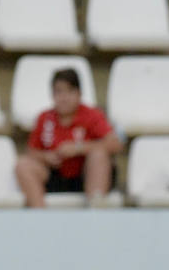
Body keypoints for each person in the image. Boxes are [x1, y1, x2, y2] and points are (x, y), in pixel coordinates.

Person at [15, 68, 121, 208]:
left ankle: (96, 212)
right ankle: (40, 217)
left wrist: (78, 148)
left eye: (69, 91)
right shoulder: (45, 117)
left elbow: (115, 144)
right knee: (23, 165)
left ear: (79, 93)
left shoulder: (92, 115)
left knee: (99, 155)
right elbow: (31, 151)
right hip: (56, 177)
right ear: (52, 95)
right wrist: (46, 157)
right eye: (59, 92)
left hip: (85, 176)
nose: (64, 98)